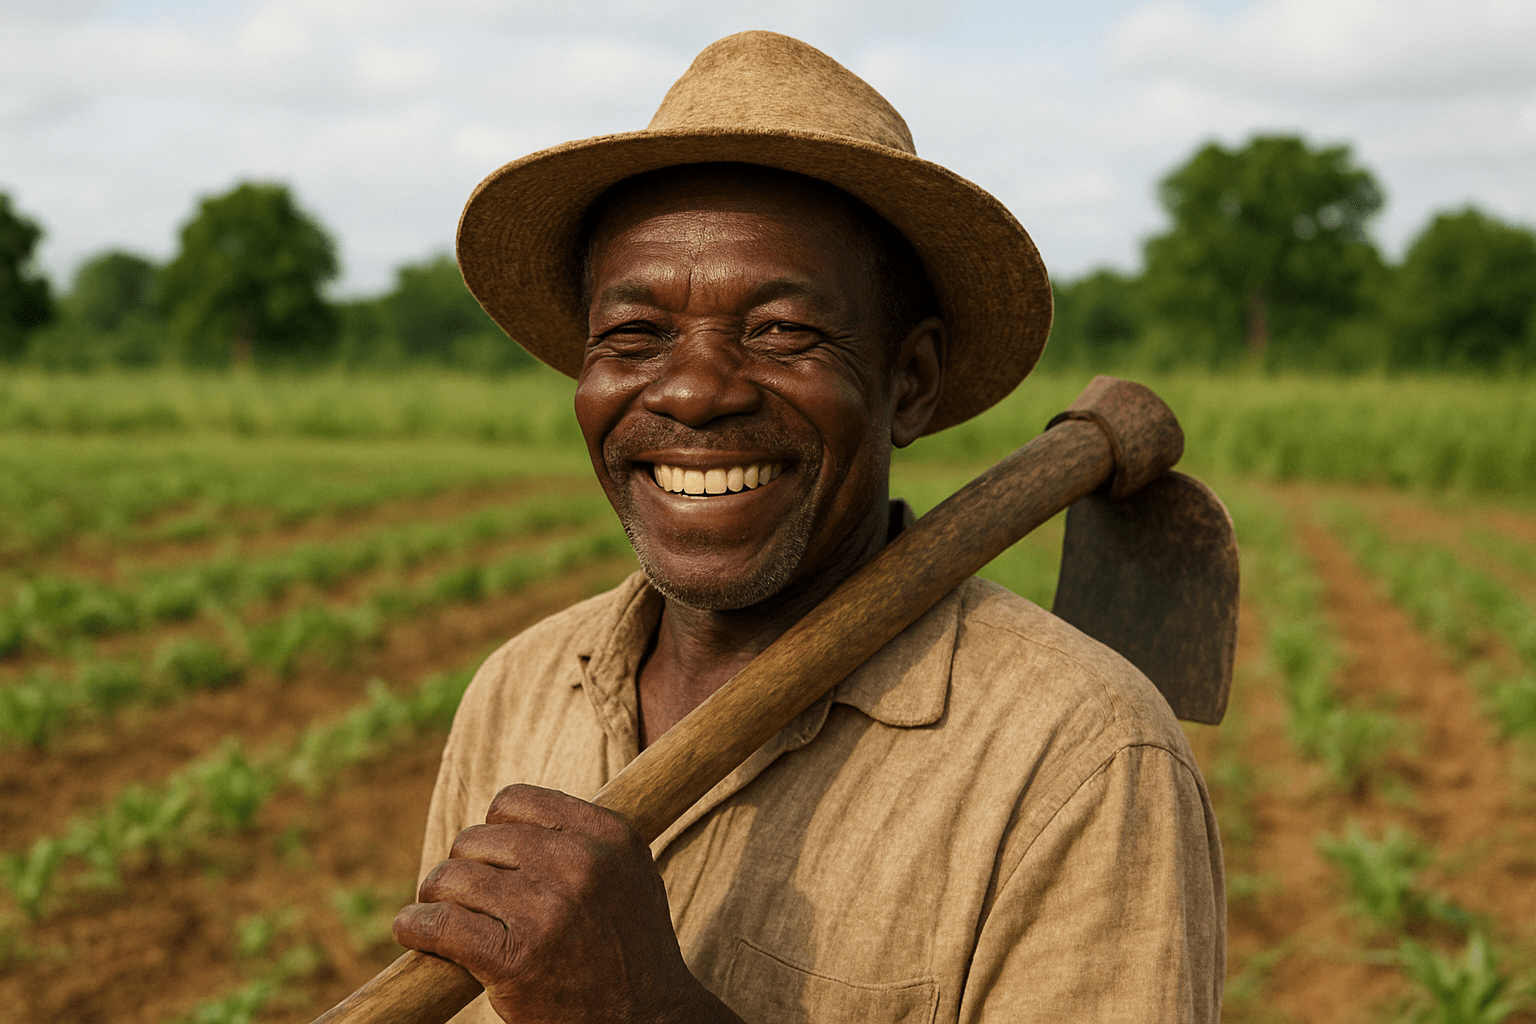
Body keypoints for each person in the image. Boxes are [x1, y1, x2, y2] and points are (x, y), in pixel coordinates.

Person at [393, 30, 1225, 1023]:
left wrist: (647, 1010)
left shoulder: (1079, 754)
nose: (695, 390)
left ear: (906, 384)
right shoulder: (519, 689)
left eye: (782, 331)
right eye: (633, 335)